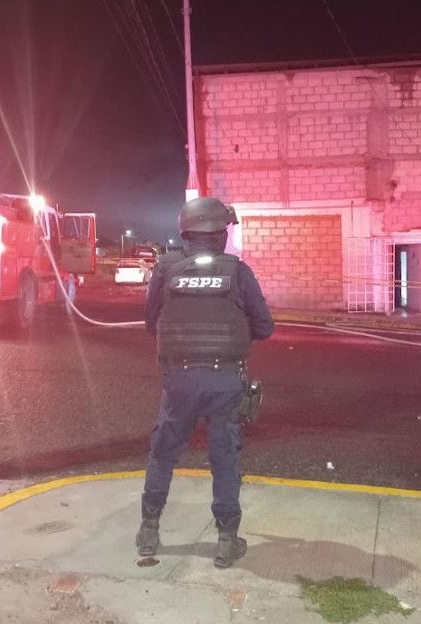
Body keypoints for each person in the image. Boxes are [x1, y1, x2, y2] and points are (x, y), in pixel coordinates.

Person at [137, 196, 274, 568]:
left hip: (179, 381)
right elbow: (265, 327)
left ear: (187, 232)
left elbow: (151, 323)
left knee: (163, 454)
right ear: (219, 234)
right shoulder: (237, 272)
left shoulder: (166, 269)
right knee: (224, 459)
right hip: (224, 382)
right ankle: (226, 541)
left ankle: (148, 532)